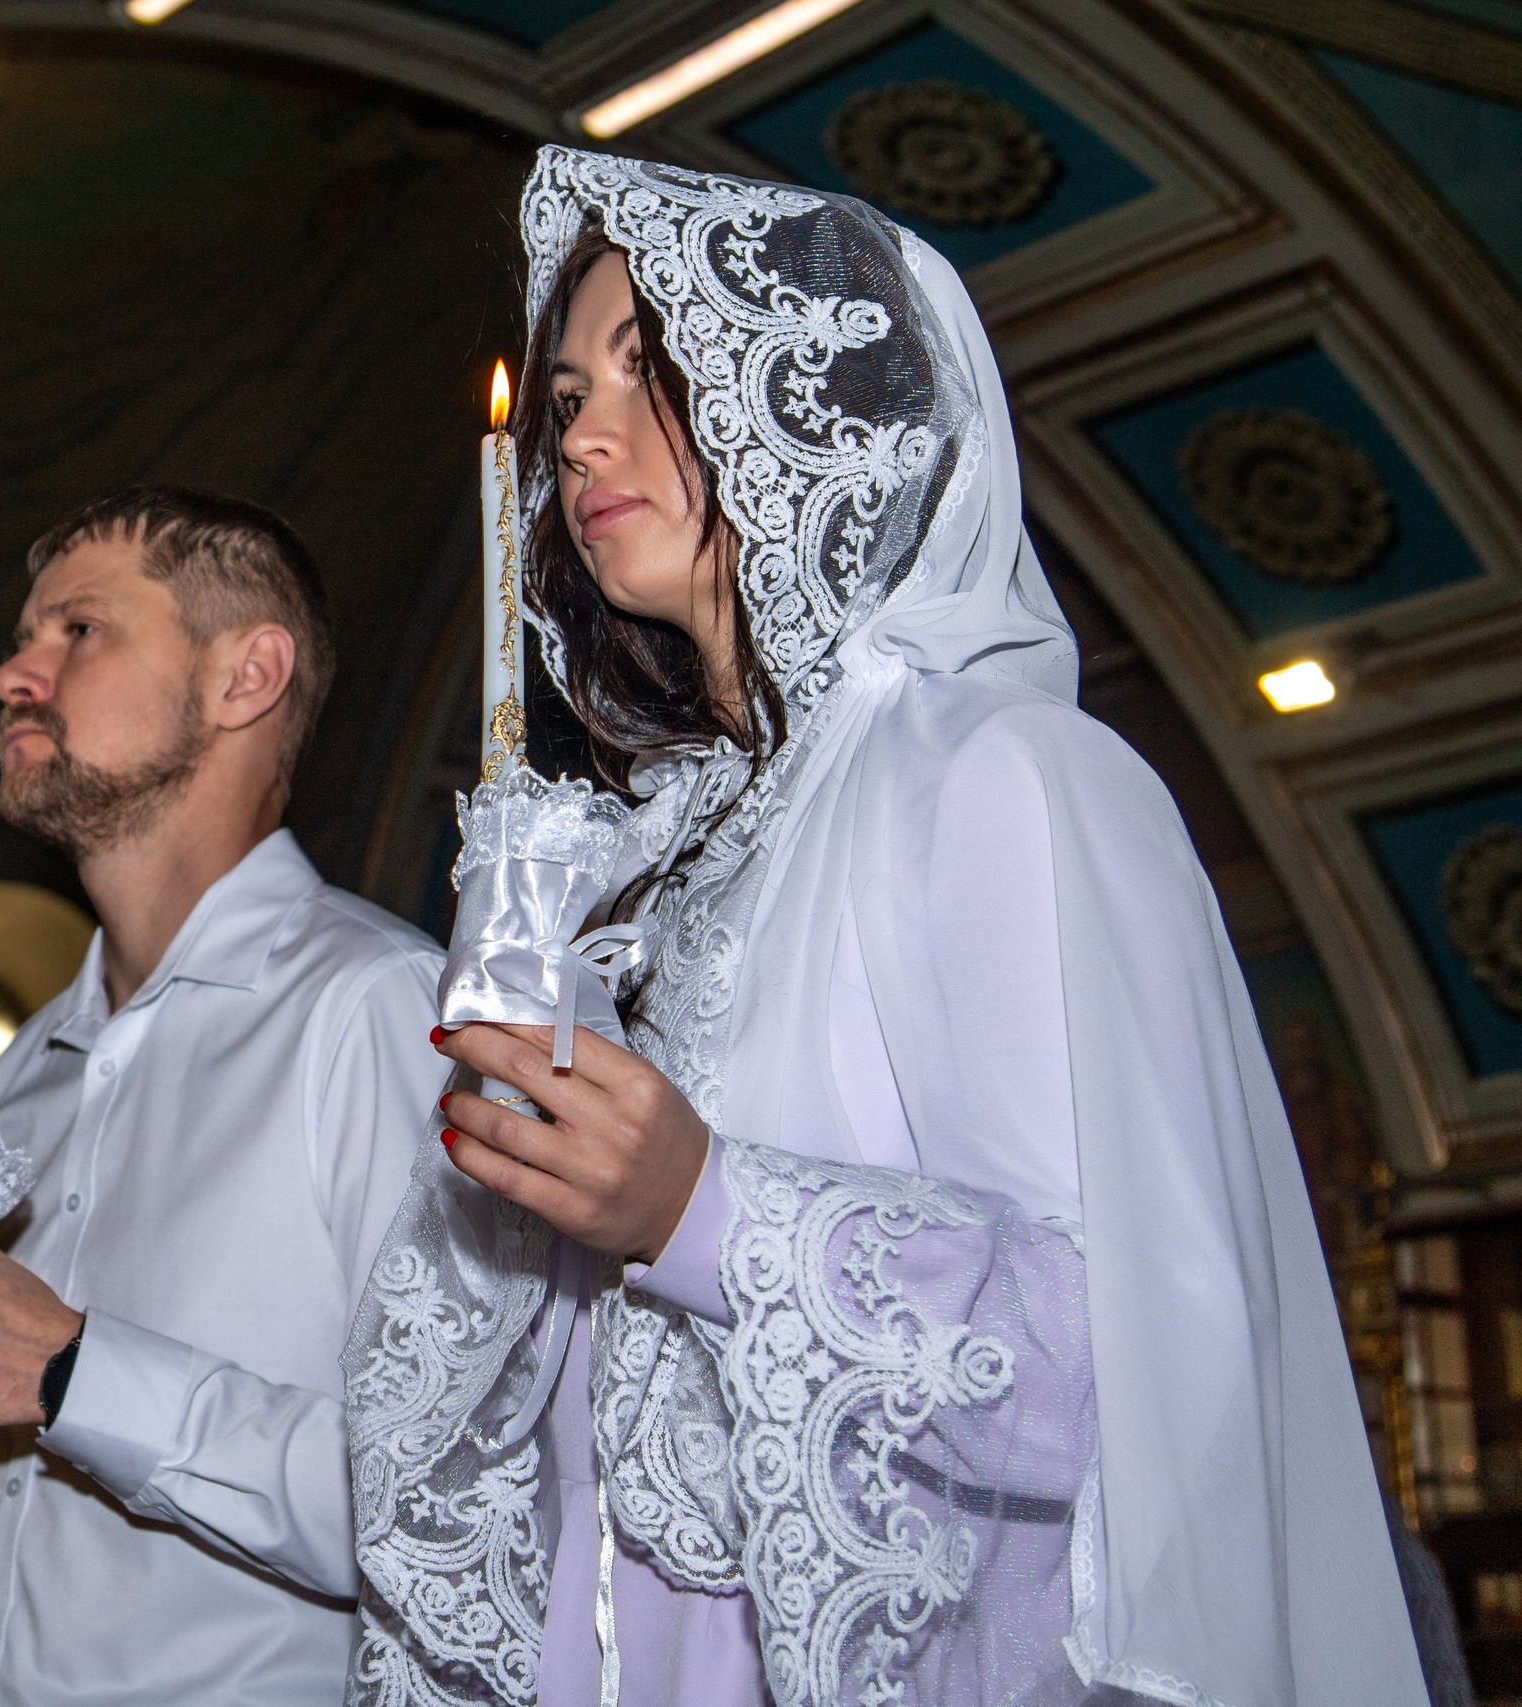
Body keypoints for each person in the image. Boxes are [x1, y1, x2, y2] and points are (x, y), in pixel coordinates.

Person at [344, 147, 1427, 1707]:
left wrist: (705, 1212)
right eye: (569, 384)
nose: (579, 427)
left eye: (650, 366)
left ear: (818, 411)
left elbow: (1132, 1365)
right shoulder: (649, 866)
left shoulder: (1001, 778)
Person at [0, 487, 447, 1706]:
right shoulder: (25, 1074)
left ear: (244, 678)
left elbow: (444, 1508)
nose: (14, 672)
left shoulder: (375, 1013)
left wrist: (67, 1371)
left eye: (77, 631)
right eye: (23, 637)